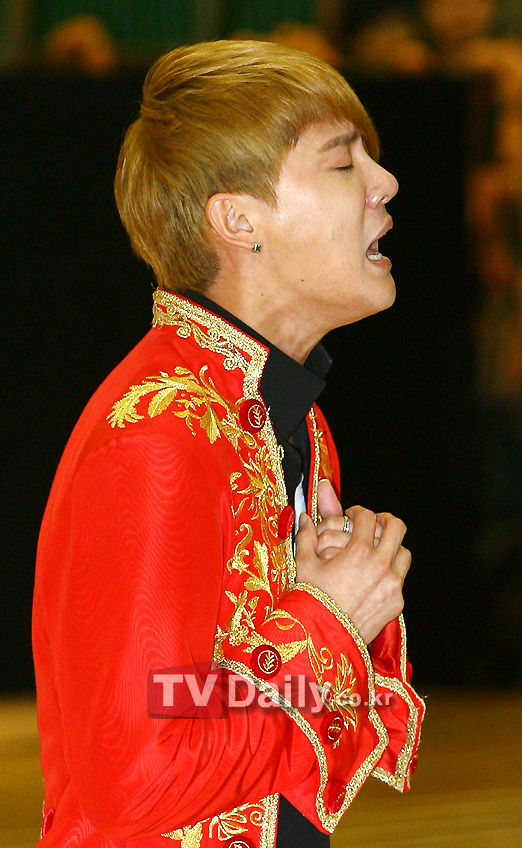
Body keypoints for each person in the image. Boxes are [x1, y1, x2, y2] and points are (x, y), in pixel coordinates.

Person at [32, 40, 425, 848]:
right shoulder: (160, 433)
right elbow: (139, 771)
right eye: (344, 163)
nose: (384, 183)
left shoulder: (286, 416)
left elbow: (231, 711)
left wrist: (340, 613)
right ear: (239, 220)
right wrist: (329, 620)